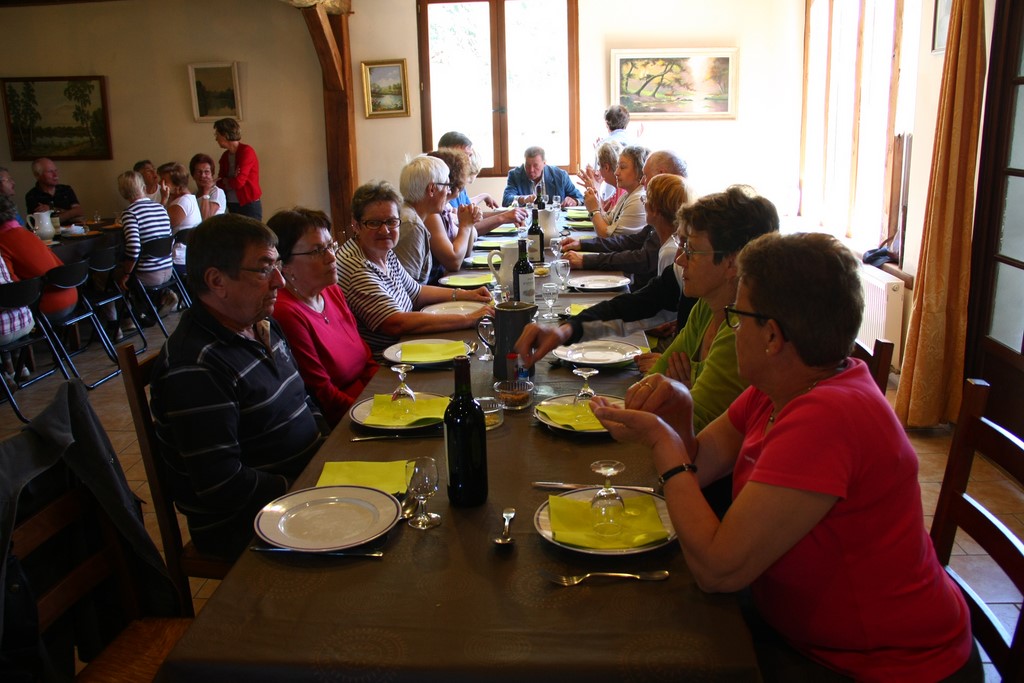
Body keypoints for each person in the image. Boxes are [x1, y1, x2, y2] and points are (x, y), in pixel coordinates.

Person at [589, 232, 979, 682]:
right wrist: (680, 412)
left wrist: (662, 442)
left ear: (772, 335)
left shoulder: (829, 417)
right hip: (798, 625)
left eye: (737, 317)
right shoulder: (781, 387)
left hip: (882, 665)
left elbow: (717, 569)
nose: (731, 329)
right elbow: (701, 463)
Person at [149, 214, 326, 559]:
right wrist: (305, 486)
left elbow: (303, 400)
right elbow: (222, 485)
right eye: (264, 269)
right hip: (246, 525)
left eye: (277, 266)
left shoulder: (261, 324)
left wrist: (326, 452)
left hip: (301, 490)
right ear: (217, 281)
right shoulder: (195, 367)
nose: (279, 281)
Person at [516, 150, 698, 364]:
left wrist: (669, 363)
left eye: (690, 249)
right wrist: (566, 330)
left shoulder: (676, 257)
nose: (680, 258)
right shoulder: (680, 268)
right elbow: (637, 304)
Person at [337, 180, 493, 357]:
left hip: (405, 346)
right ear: (356, 225)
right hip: (388, 360)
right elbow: (396, 324)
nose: (385, 230)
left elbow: (416, 292)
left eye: (391, 221)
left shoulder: (382, 251)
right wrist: (469, 319)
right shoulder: (356, 267)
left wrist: (467, 294)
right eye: (373, 223)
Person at [267, 207, 377, 427]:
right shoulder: (286, 312)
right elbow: (324, 396)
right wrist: (377, 417)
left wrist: (389, 395)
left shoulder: (330, 290)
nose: (331, 257)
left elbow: (366, 360)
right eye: (317, 251)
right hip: (344, 422)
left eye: (330, 246)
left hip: (370, 402)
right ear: (285, 266)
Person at [561, 173, 692, 291]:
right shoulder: (657, 227)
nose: (642, 181)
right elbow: (628, 241)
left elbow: (640, 259)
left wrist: (586, 260)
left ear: (656, 209)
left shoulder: (670, 250)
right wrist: (583, 244)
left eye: (646, 198)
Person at [0, 194, 77, 321]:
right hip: (71, 297)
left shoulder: (3, 242)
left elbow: (11, 287)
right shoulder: (29, 234)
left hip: (48, 305)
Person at [392, 155, 467, 284]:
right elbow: (410, 290)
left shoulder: (413, 215)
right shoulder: (412, 225)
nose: (448, 191)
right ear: (432, 189)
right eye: (446, 185)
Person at [437, 131, 526, 231]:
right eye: (463, 155)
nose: (469, 161)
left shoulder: (458, 183)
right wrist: (503, 217)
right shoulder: (443, 186)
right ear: (446, 156)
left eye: (470, 155)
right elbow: (465, 226)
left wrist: (507, 213)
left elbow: (472, 217)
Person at [117, 170, 173, 291]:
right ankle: (165, 295)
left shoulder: (130, 213)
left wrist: (126, 274)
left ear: (123, 192)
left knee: (111, 275)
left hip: (148, 274)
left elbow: (134, 248)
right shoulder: (161, 208)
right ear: (143, 187)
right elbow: (169, 240)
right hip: (169, 271)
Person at [580, 145, 649, 237]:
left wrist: (594, 210)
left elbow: (607, 236)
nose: (616, 172)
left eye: (622, 167)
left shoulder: (638, 199)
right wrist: (594, 203)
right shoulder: (627, 195)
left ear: (639, 171)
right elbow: (606, 221)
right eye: (617, 167)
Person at [159, 162, 200, 285]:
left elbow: (160, 227)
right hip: (188, 257)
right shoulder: (188, 199)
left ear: (177, 184)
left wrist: (163, 200)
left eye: (164, 181)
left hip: (179, 260)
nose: (160, 184)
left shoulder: (182, 203)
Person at [502, 146, 583, 207]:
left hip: (555, 219)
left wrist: (574, 201)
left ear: (544, 163)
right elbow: (506, 200)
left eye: (535, 165)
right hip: (525, 219)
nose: (531, 170)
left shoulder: (560, 176)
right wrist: (523, 199)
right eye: (528, 165)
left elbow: (581, 198)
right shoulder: (515, 175)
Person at [214, 117, 262, 220]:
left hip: (249, 204)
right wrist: (232, 180)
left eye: (217, 135)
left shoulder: (246, 151)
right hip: (231, 204)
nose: (216, 139)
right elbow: (219, 182)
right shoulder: (224, 156)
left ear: (225, 135)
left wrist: (228, 181)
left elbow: (239, 182)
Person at [25, 158, 83, 223]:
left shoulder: (66, 189)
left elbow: (79, 212)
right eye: (50, 171)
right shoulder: (32, 196)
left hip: (73, 229)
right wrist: (71, 214)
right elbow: (45, 223)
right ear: (38, 175)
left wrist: (52, 209)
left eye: (55, 170)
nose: (55, 175)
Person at [577, 140, 625, 213]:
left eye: (599, 165)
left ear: (606, 167)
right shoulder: (618, 188)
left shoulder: (622, 189)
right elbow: (605, 209)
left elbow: (603, 217)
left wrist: (593, 189)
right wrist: (597, 187)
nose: (598, 170)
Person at [190, 153, 227, 220]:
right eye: (199, 172)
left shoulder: (217, 192)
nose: (203, 175)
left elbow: (206, 219)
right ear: (193, 175)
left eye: (206, 172)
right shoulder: (193, 195)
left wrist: (206, 192)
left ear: (212, 174)